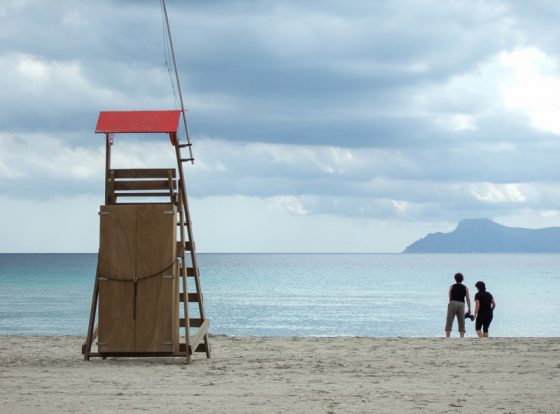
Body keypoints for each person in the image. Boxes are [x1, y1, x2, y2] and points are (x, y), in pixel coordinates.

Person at [445, 272, 472, 338]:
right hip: (461, 304)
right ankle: (462, 336)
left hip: (452, 302)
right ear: (462, 279)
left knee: (449, 320)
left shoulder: (452, 286)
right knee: (461, 320)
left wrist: (451, 304)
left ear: (455, 279)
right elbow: (468, 299)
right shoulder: (465, 288)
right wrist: (469, 309)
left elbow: (450, 296)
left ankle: (448, 336)